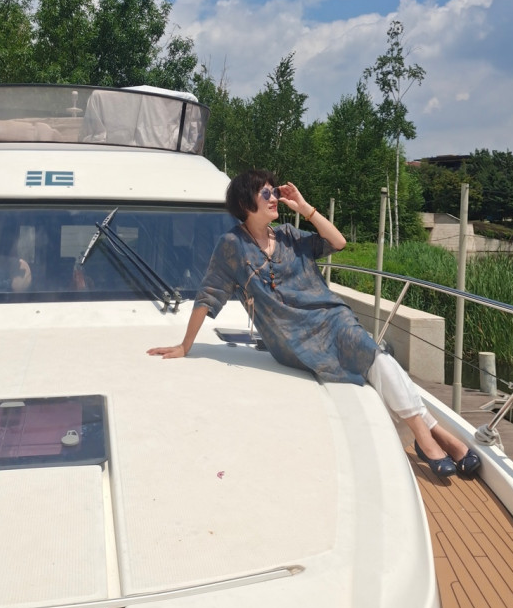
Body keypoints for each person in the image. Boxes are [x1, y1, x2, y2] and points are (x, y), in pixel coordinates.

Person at [148, 169, 480, 477]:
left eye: (275, 192)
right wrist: (185, 345)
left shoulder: (289, 235)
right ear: (245, 203)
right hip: (292, 337)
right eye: (266, 194)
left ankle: (429, 437)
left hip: (330, 317)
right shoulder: (232, 245)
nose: (275, 198)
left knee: (377, 357)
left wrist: (305, 208)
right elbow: (208, 294)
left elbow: (338, 242)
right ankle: (433, 436)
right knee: (373, 354)